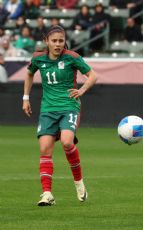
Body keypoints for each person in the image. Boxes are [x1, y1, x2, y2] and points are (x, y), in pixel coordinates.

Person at [22, 25, 98, 206]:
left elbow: (93, 75)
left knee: (66, 142)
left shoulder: (72, 57)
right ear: (46, 41)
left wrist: (82, 90)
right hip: (48, 109)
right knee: (44, 150)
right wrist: (25, 98)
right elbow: (29, 74)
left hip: (69, 106)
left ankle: (79, 183)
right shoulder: (38, 58)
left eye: (61, 41)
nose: (57, 44)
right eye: (54, 41)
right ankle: (47, 194)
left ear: (65, 42)